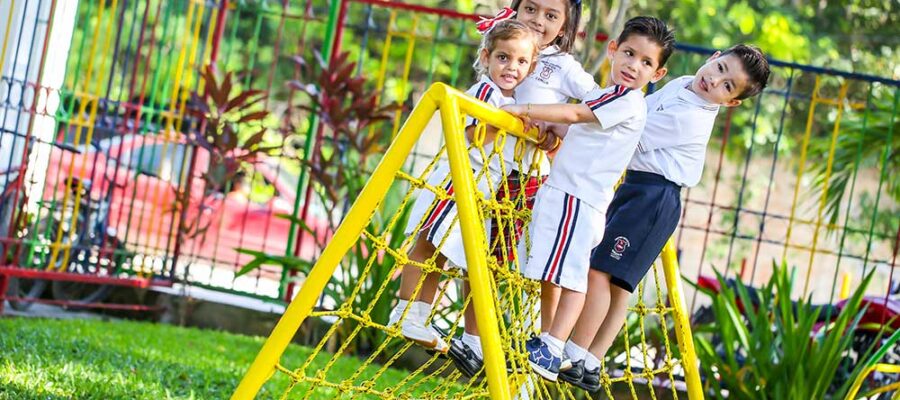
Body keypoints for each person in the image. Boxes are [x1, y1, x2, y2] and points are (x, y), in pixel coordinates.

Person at [558, 44, 771, 392]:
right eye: (720, 69)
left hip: (654, 198)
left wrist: (569, 127)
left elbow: (630, 134)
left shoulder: (692, 118)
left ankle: (576, 352)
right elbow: (637, 111)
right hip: (637, 189)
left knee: (601, 273)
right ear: (713, 56)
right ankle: (591, 362)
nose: (715, 81)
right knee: (616, 283)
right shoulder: (684, 82)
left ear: (731, 103)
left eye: (728, 86)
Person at [503, 16, 675, 382]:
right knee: (559, 271)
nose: (634, 66)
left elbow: (574, 112)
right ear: (613, 50)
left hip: (577, 198)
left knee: (570, 275)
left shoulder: (624, 98)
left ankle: (552, 346)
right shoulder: (606, 96)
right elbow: (578, 126)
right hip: (572, 195)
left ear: (657, 74)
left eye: (646, 62)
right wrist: (551, 128)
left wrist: (523, 109)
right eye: (629, 53)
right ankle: (551, 342)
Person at [448, 0, 601, 378]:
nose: (538, 20)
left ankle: (549, 341)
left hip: (526, 177)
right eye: (531, 9)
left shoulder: (563, 67)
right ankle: (472, 338)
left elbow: (598, 104)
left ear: (565, 28)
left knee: (536, 263)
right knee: (477, 251)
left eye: (551, 16)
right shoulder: (504, 45)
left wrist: (558, 131)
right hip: (488, 165)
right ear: (515, 9)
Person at [388, 18, 542, 354]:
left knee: (440, 253)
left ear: (531, 68)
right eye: (503, 57)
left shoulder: (509, 100)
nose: (511, 67)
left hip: (477, 190)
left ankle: (418, 316)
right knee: (428, 245)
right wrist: (510, 125)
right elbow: (472, 135)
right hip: (457, 181)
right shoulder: (485, 92)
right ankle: (404, 312)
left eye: (521, 62)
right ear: (486, 58)